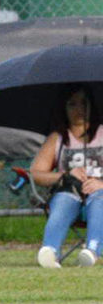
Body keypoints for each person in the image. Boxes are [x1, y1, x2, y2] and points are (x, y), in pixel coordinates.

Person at [31, 84, 103, 269]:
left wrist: (100, 184)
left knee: (100, 199)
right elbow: (37, 173)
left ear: (92, 106)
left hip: (98, 196)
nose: (78, 109)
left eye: (83, 103)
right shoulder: (58, 139)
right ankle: (50, 252)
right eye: (72, 104)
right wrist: (64, 175)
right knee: (63, 199)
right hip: (70, 194)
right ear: (64, 108)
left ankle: (93, 250)